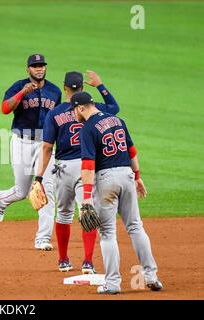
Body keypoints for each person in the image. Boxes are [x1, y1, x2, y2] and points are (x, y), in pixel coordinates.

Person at [69, 91, 163, 294]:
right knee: (136, 227)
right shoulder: (117, 120)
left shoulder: (88, 128)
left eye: (74, 110)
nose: (74, 114)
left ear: (82, 107)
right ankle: (152, 276)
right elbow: (132, 151)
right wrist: (137, 176)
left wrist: (86, 198)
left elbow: (87, 165)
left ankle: (112, 284)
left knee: (108, 233)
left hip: (106, 180)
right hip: (127, 175)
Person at [35, 71, 119, 273]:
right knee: (87, 211)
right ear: (82, 87)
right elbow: (114, 108)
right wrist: (100, 85)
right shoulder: (92, 107)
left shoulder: (54, 113)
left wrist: (38, 176)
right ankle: (88, 262)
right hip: (87, 166)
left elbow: (47, 147)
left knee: (63, 214)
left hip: (63, 168)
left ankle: (63, 260)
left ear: (64, 87)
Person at [0, 54, 61, 250]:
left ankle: (42, 238)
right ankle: (1, 200)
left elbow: (57, 118)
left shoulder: (54, 91)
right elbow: (5, 109)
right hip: (21, 142)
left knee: (45, 190)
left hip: (45, 145)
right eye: (35, 66)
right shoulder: (18, 86)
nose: (39, 69)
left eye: (42, 66)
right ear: (28, 69)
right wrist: (22, 92)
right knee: (22, 192)